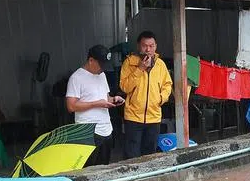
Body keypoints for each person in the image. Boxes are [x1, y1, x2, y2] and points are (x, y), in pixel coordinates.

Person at [119, 30, 173, 159]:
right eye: (145, 46)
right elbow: (125, 87)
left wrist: (161, 98)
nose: (148, 49)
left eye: (151, 46)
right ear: (139, 46)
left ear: (155, 46)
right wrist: (140, 69)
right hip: (133, 117)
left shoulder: (160, 64)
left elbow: (167, 84)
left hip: (153, 116)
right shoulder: (129, 62)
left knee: (150, 153)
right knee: (132, 154)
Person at [66, 45, 122, 166]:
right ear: (91, 60)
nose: (103, 69)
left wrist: (113, 99)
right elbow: (71, 106)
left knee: (104, 168)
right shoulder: (76, 78)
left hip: (106, 129)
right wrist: (96, 104)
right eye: (101, 65)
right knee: (89, 169)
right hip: (88, 132)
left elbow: (105, 98)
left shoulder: (102, 75)